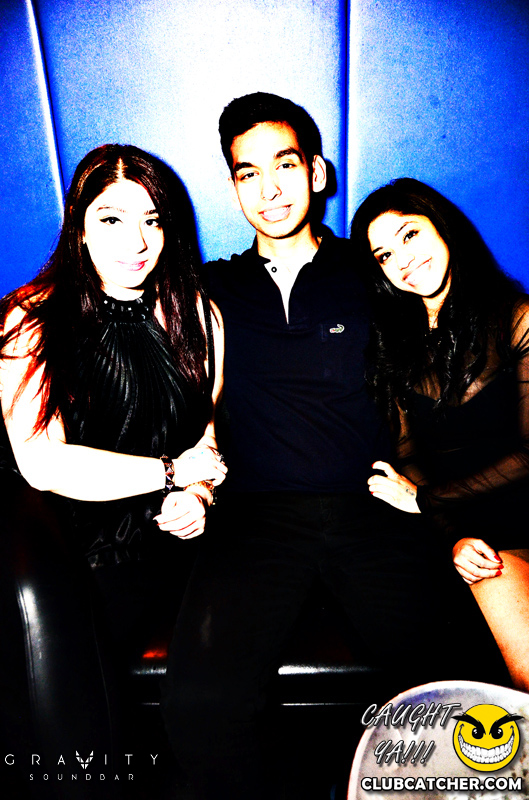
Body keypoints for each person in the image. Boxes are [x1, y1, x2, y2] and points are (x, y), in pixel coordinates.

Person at [161, 93, 447, 800]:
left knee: (448, 695)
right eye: (248, 173)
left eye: (285, 165)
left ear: (316, 172)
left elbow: (458, 341)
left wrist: (441, 492)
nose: (270, 189)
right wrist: (191, 478)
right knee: (199, 706)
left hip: (372, 507)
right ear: (233, 186)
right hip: (254, 517)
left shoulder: (373, 272)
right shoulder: (211, 286)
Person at [0, 144, 226, 793]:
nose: (137, 242)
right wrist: (171, 473)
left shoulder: (198, 313)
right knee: (73, 722)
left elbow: (206, 440)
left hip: (171, 539)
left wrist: (199, 492)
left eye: (152, 221)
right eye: (111, 219)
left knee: (213, 702)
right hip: (68, 544)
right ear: (78, 226)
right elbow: (43, 463)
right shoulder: (31, 319)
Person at [351, 177, 529, 692]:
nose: (403, 259)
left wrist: (425, 500)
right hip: (470, 531)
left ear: (443, 227)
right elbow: (409, 457)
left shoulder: (516, 318)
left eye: (410, 234)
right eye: (385, 255)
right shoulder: (395, 345)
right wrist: (452, 534)